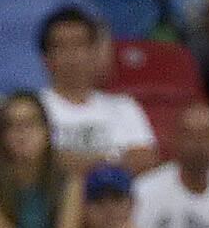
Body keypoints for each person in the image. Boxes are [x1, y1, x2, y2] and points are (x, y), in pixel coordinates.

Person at [34, 9, 155, 171]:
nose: (72, 56)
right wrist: (114, 159)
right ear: (46, 56)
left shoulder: (124, 106)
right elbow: (41, 160)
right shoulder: (33, 108)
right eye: (61, 47)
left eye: (79, 45)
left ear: (94, 52)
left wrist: (79, 162)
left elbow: (145, 159)